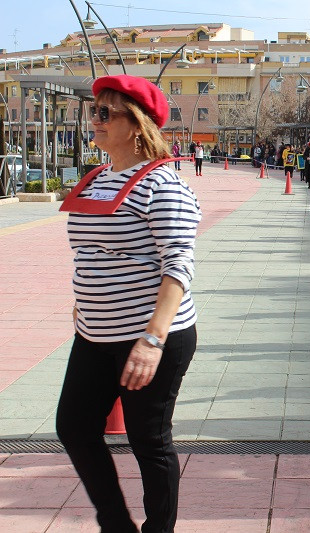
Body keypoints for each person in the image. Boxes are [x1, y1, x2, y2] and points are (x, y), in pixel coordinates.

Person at [56, 74, 201, 532]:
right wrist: (86, 301)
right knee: (74, 428)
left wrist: (151, 340)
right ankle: (117, 525)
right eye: (92, 111)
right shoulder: (96, 178)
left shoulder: (163, 185)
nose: (94, 120)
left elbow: (178, 265)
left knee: (148, 441)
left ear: (136, 124)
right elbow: (90, 250)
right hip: (94, 335)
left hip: (151, 336)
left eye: (104, 113)